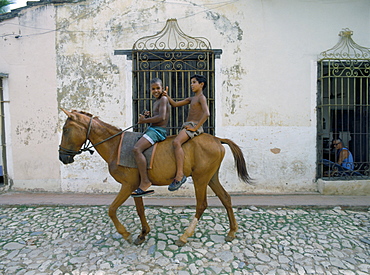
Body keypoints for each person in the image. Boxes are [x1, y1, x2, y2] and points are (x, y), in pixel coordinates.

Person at [163, 74, 210, 191]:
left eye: (194, 82)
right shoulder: (191, 99)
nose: (191, 85)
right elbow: (174, 104)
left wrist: (196, 128)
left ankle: (179, 175)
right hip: (187, 125)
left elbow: (207, 113)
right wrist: (166, 96)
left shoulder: (201, 98)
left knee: (176, 142)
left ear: (201, 84)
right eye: (191, 82)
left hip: (193, 126)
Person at [131, 78, 170, 197]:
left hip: (158, 131)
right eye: (153, 89)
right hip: (153, 129)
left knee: (137, 149)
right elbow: (156, 116)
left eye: (158, 88)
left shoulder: (163, 99)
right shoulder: (156, 102)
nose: (156, 91)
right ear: (150, 90)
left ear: (162, 88)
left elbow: (162, 117)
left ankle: (145, 181)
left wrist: (145, 120)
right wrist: (148, 116)